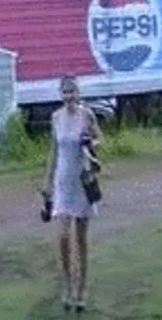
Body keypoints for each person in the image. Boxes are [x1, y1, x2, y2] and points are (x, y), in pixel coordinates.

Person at [42, 75, 102, 312]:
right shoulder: (55, 117)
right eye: (65, 92)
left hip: (82, 179)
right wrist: (47, 182)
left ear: (79, 93)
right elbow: (53, 152)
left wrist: (91, 143)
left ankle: (82, 289)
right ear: (61, 94)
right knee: (63, 237)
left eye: (72, 91)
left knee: (81, 239)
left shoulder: (87, 115)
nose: (69, 96)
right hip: (63, 181)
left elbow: (100, 139)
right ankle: (68, 284)